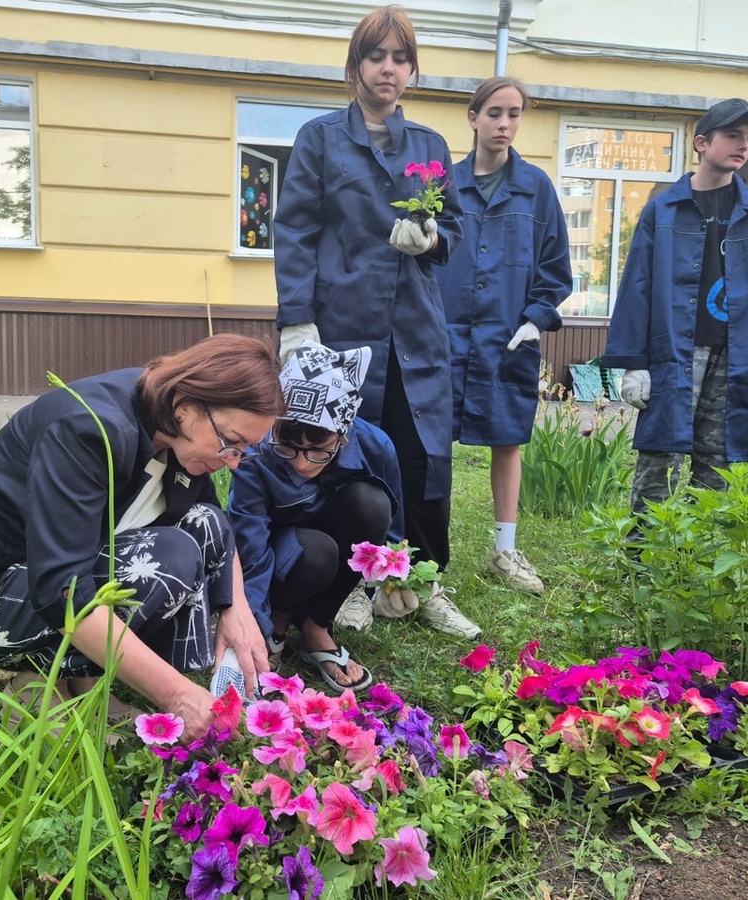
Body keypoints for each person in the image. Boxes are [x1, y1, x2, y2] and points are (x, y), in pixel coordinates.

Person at [0, 334, 284, 739]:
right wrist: (179, 696)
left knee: (201, 524)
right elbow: (61, 590)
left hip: (41, 573)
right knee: (167, 558)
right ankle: (34, 693)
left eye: (246, 450)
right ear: (186, 406)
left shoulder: (169, 424)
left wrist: (235, 608)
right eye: (231, 444)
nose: (234, 463)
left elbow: (212, 521)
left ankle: (82, 685)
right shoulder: (90, 428)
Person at [273, 4, 479, 639]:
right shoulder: (321, 138)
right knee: (347, 455)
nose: (387, 69)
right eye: (376, 56)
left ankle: (418, 581)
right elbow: (296, 231)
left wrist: (432, 238)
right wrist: (296, 323)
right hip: (342, 326)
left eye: (399, 58)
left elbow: (457, 230)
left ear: (412, 72)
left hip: (415, 327)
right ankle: (358, 583)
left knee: (420, 456)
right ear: (355, 65)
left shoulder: (430, 146)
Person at [602, 98, 748, 535]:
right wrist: (634, 363)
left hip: (736, 358)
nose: (743, 146)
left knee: (719, 467)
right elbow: (638, 286)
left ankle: (698, 562)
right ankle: (643, 562)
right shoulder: (664, 209)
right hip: (675, 351)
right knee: (659, 459)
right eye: (733, 136)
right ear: (702, 142)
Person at [437, 76, 571, 595]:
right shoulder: (443, 185)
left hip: (508, 336)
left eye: (514, 114)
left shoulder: (535, 187)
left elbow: (556, 266)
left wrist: (536, 317)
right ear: (473, 117)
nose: (504, 124)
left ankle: (504, 549)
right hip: (444, 336)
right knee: (433, 446)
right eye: (494, 112)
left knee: (508, 439)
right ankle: (423, 553)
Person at [227, 341, 414, 693]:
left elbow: (388, 534)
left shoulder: (377, 447)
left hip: (335, 559)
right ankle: (278, 625)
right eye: (288, 447)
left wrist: (394, 580)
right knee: (317, 551)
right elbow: (248, 547)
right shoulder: (254, 454)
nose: (300, 463)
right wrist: (255, 626)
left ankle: (316, 627)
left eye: (318, 451)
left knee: (372, 504)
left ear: (343, 435)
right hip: (283, 559)